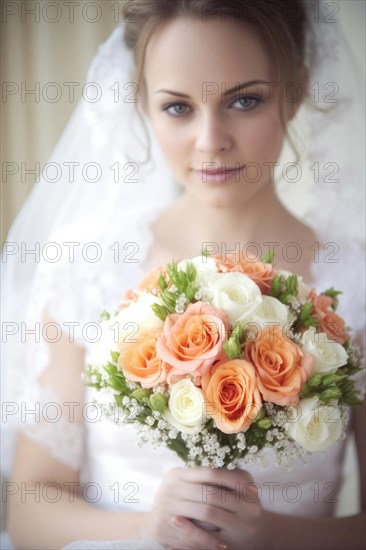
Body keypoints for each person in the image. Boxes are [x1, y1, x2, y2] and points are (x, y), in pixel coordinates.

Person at [2, 1, 365, 549]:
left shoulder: (356, 279)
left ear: (294, 91)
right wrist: (147, 528)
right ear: (142, 104)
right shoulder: (83, 265)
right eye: (178, 108)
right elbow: (32, 512)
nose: (210, 139)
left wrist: (268, 534)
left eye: (245, 100)